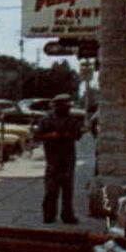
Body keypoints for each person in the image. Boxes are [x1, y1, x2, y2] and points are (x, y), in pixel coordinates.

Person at [33, 94, 84, 224]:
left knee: (67, 189)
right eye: (62, 106)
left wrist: (68, 134)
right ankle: (49, 215)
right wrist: (51, 135)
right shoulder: (46, 120)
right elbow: (37, 136)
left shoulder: (72, 120)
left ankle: (67, 215)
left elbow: (78, 134)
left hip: (67, 158)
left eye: (66, 106)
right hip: (53, 158)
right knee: (51, 189)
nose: (65, 108)